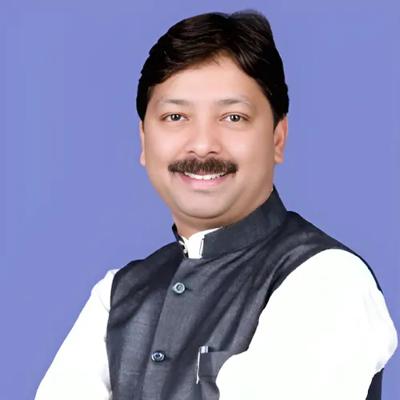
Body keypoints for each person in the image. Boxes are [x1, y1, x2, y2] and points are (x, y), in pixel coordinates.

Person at [35, 9, 398, 400]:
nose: (203, 144)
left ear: (278, 137)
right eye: (176, 116)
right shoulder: (118, 294)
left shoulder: (327, 279)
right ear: (143, 140)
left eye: (233, 117)